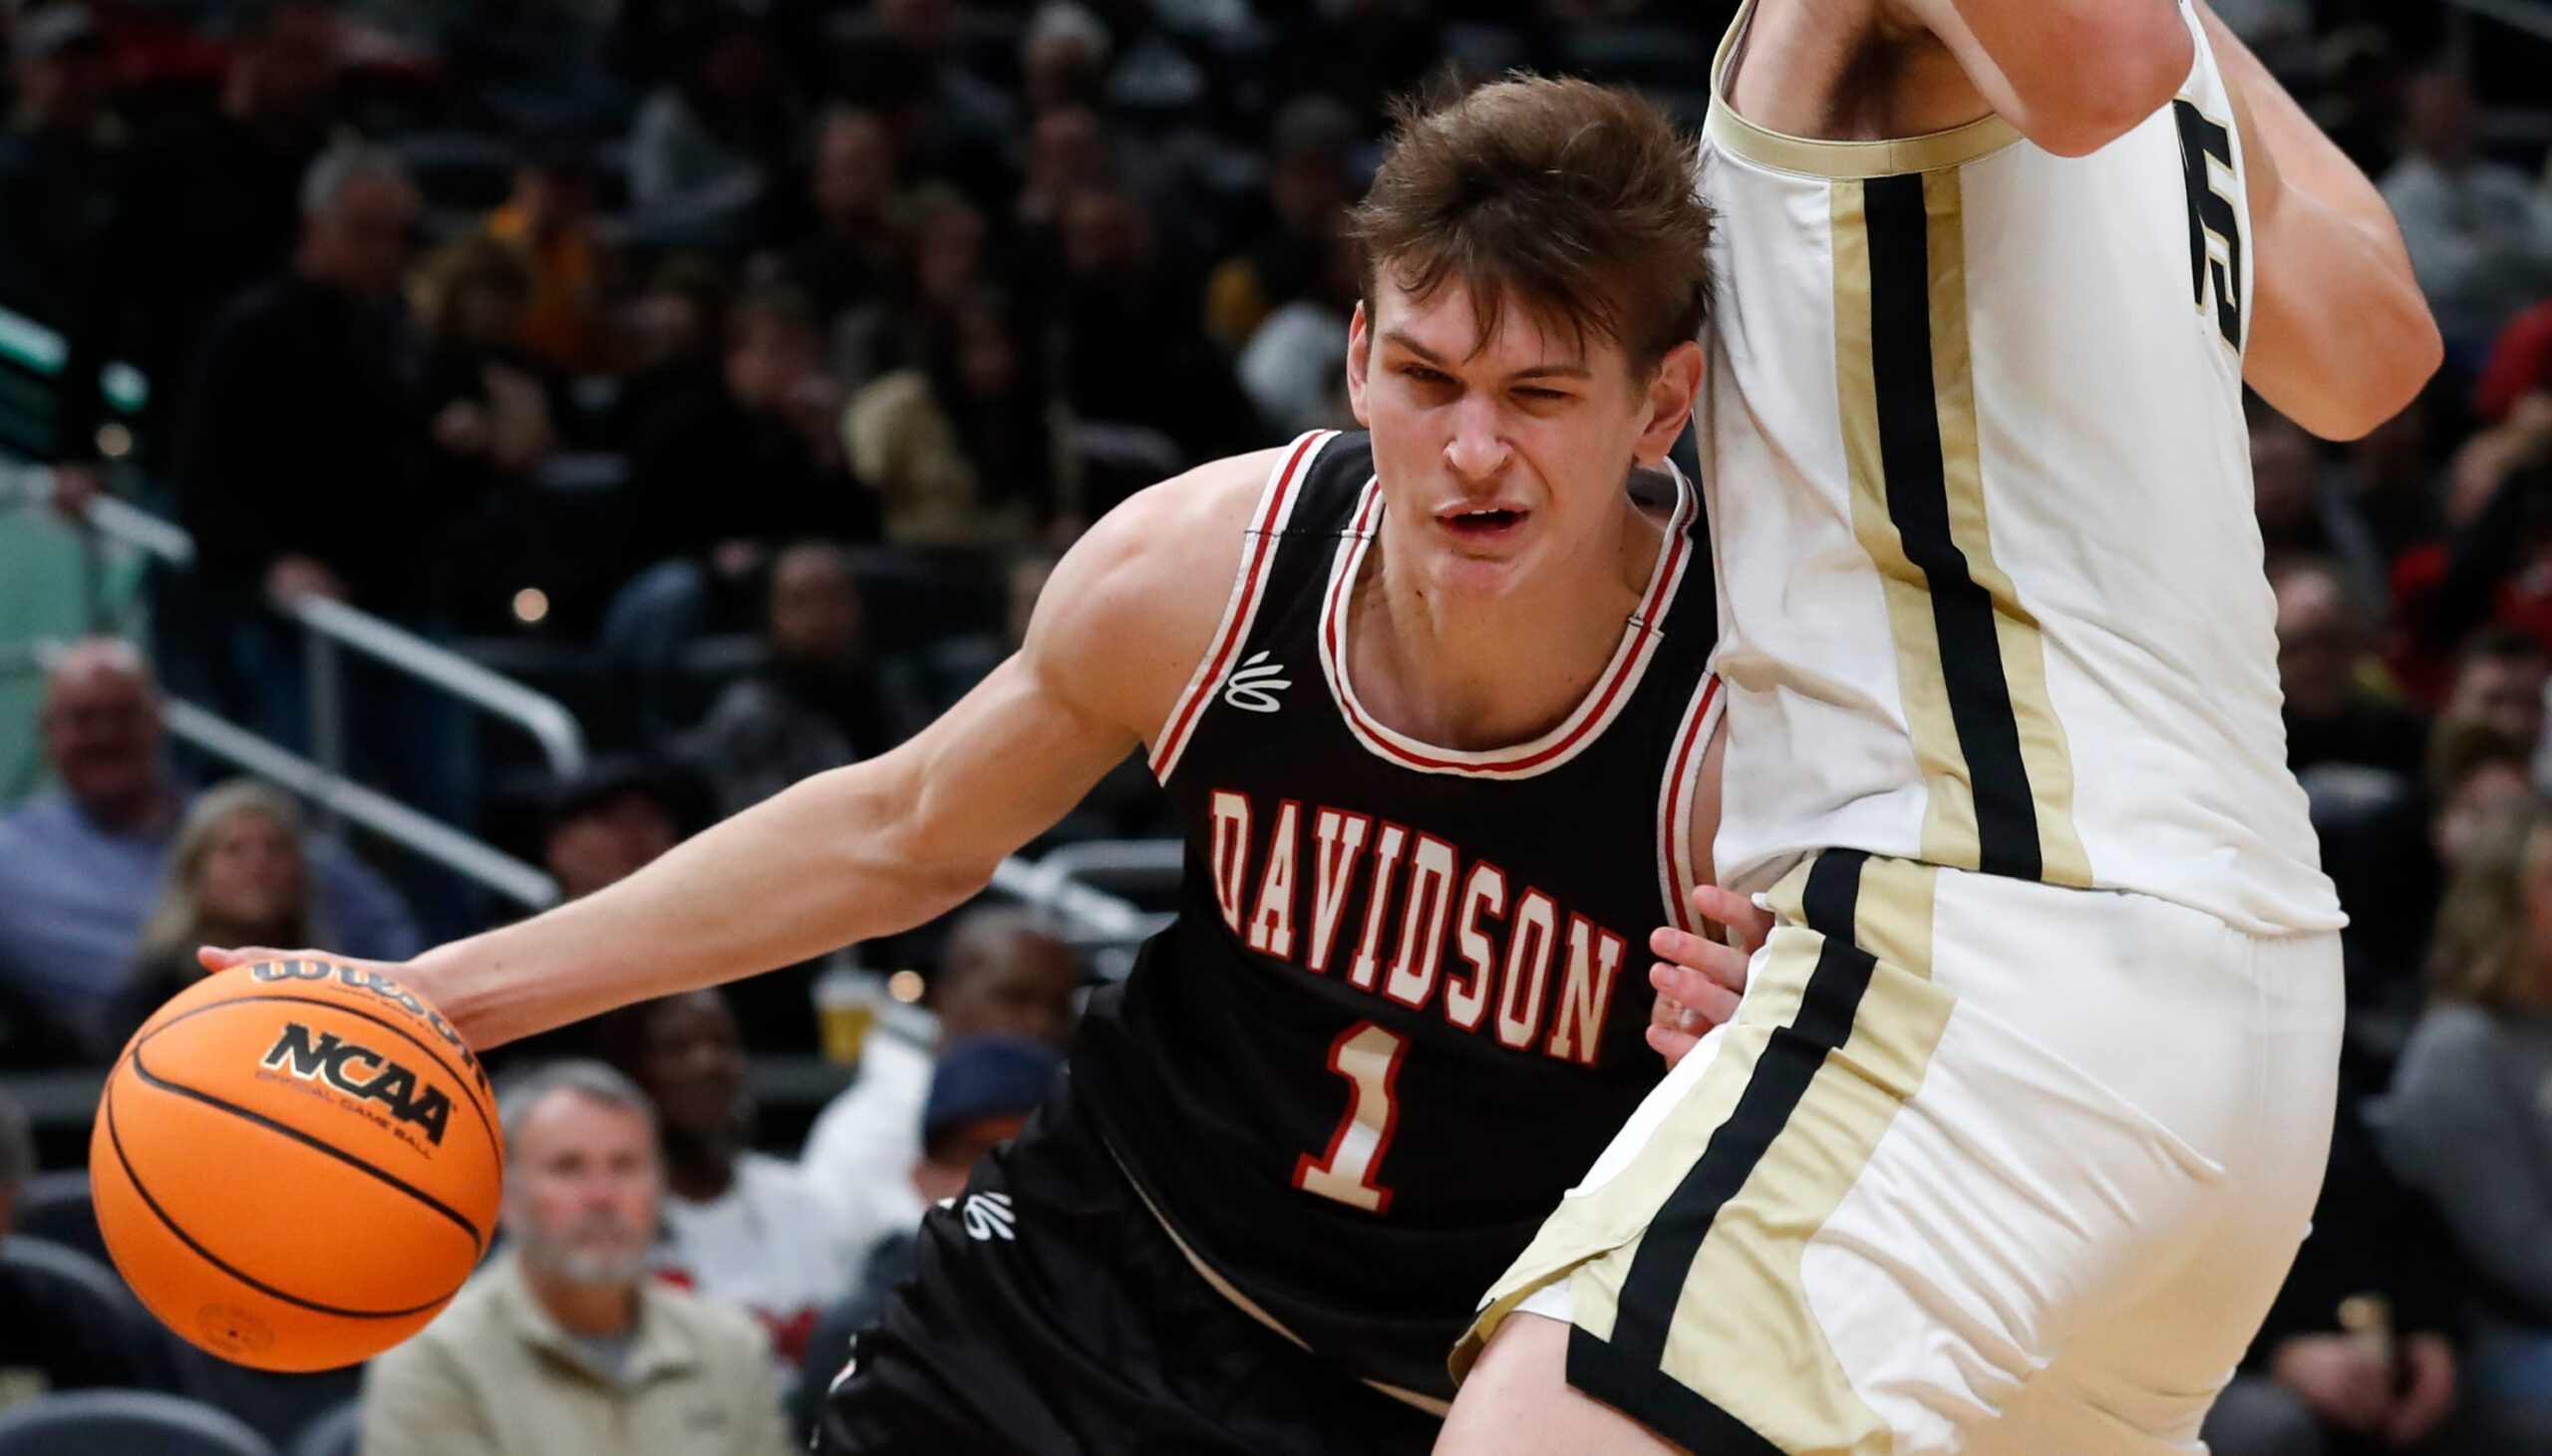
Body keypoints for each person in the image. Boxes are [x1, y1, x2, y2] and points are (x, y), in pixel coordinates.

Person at [208, 75, 1723, 1454]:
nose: (1468, 450)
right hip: (1098, 1265)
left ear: (1661, 401)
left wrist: (1778, 1046)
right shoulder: (1204, 571)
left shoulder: (1753, 723)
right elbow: (899, 829)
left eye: (1538, 395)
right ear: (1356, 357)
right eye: (1427, 376)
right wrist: (439, 997)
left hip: (1443, 1389)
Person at [1441, 1, 2440, 1451]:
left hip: (1999, 951)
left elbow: (2111, 94)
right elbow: (2371, 355)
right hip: (2237, 1019)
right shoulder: (2177, 49)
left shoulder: (2095, 45)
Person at [0, 640, 414, 1059]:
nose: (106, 734)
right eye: (84, 719)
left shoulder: (241, 817)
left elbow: (391, 944)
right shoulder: (10, 853)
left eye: (124, 714)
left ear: (159, 719)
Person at [359, 1061, 794, 1456]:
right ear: (505, 1196)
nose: (603, 1196)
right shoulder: (434, 1358)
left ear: (660, 1187)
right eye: (568, 1168)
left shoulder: (732, 1347)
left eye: (625, 1166)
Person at [790, 1032, 1065, 1442]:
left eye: (1024, 1151)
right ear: (922, 1179)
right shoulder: (861, 1333)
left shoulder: (1123, 1312)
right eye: (972, 1155)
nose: (995, 1178)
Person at [798, 904, 1081, 1265]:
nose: (1041, 1024)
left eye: (1059, 1007)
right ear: (942, 997)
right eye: (1015, 997)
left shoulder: (1083, 1112)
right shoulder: (864, 1131)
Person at [596, 992, 856, 1372]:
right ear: (630, 1073)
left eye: (723, 1045)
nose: (707, 1063)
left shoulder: (805, 1201)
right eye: (675, 1047)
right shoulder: (603, 1219)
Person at [679, 543, 925, 819]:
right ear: (771, 615)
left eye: (835, 596)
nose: (823, 614)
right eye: (801, 600)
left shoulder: (891, 691)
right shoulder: (747, 715)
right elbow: (761, 825)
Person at [105, 781, 324, 1048]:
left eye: (275, 848)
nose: (258, 863)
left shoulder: (329, 986)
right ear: (193, 874)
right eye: (234, 849)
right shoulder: (148, 999)